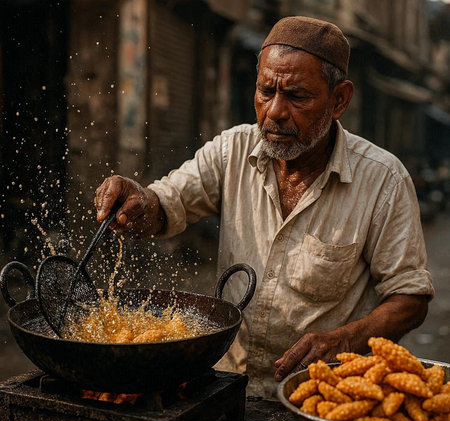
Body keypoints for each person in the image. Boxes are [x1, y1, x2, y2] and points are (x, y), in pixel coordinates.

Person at [94, 16, 434, 398]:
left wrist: (342, 339)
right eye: (265, 90)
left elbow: (410, 298)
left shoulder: (383, 180)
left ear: (339, 100)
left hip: (321, 395)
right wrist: (140, 202)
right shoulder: (232, 150)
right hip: (224, 388)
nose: (274, 111)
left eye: (296, 96)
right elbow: (167, 202)